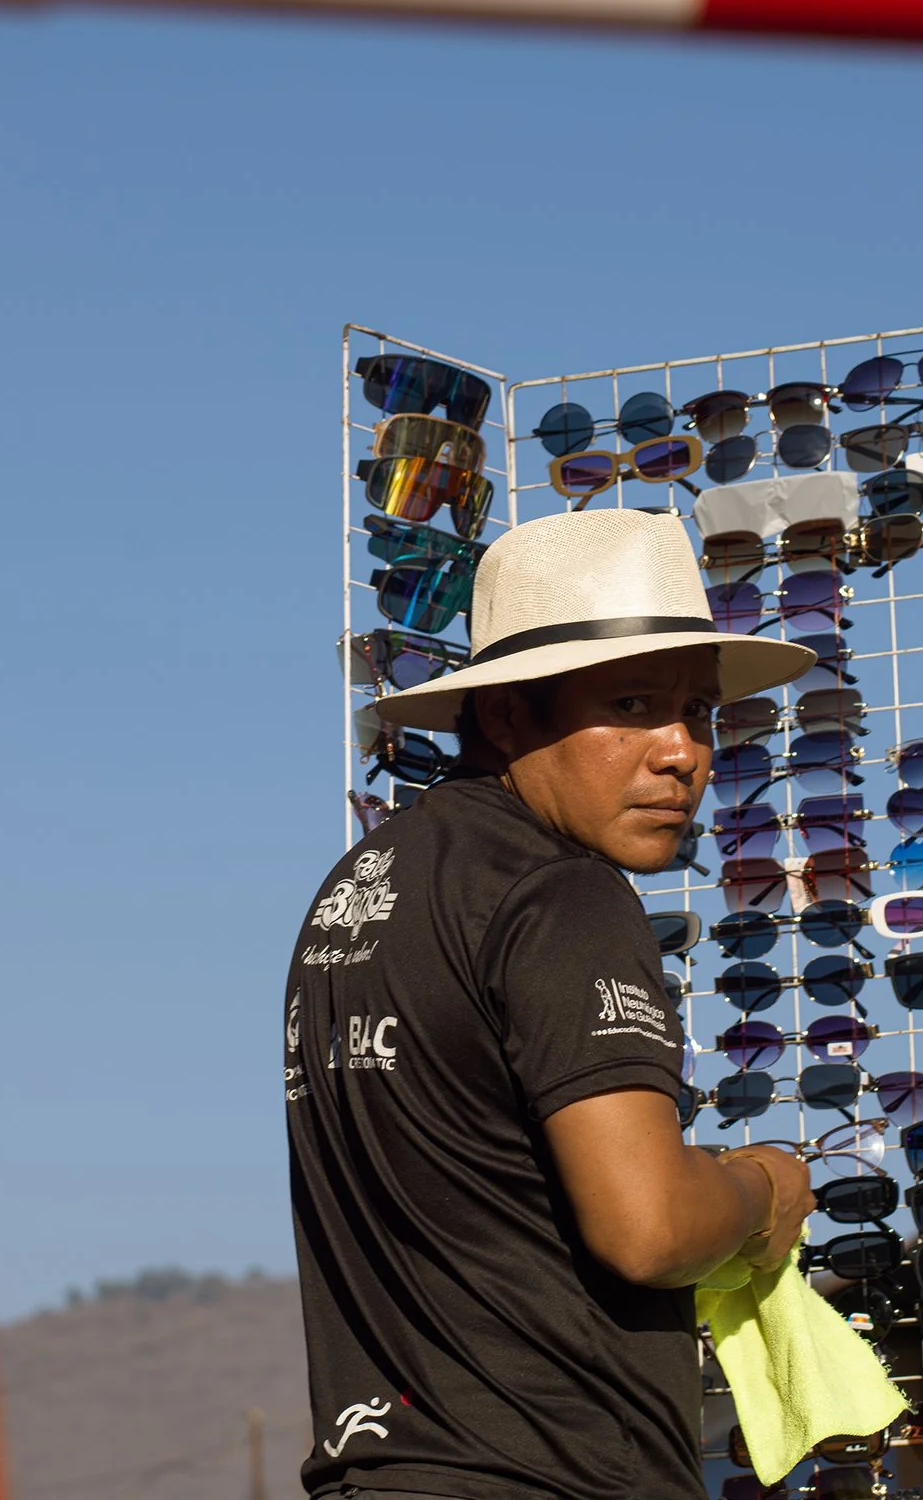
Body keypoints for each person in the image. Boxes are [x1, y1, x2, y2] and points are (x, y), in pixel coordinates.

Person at [287, 509, 820, 1500]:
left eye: (696, 711)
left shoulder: (357, 890)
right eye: (630, 702)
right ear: (506, 714)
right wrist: (759, 1190)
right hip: (550, 1470)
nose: (681, 752)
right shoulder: (560, 894)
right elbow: (648, 1224)